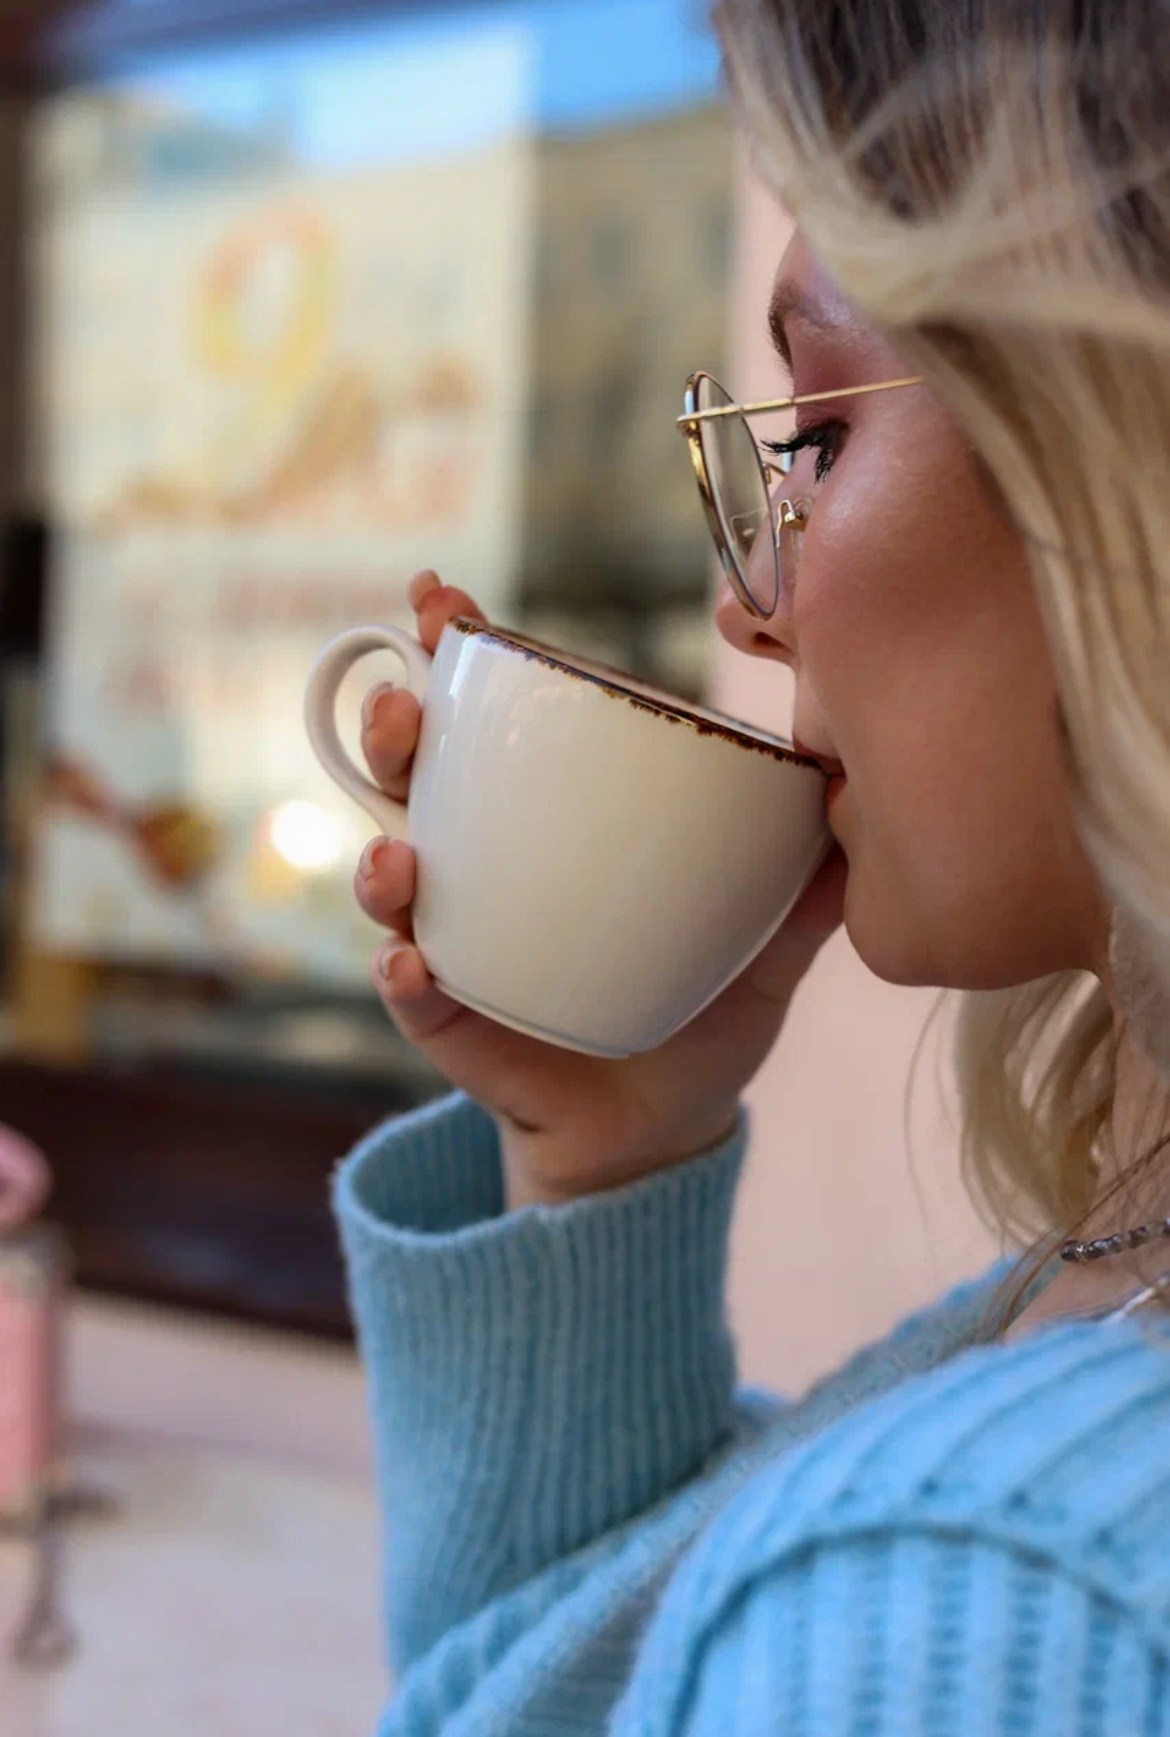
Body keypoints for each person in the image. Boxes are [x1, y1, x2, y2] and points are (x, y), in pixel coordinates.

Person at [333, 1, 1170, 1729]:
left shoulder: (981, 1583)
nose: (750, 602)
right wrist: (598, 1161)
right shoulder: (1090, 1318)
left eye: (816, 439)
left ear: (1121, 438)